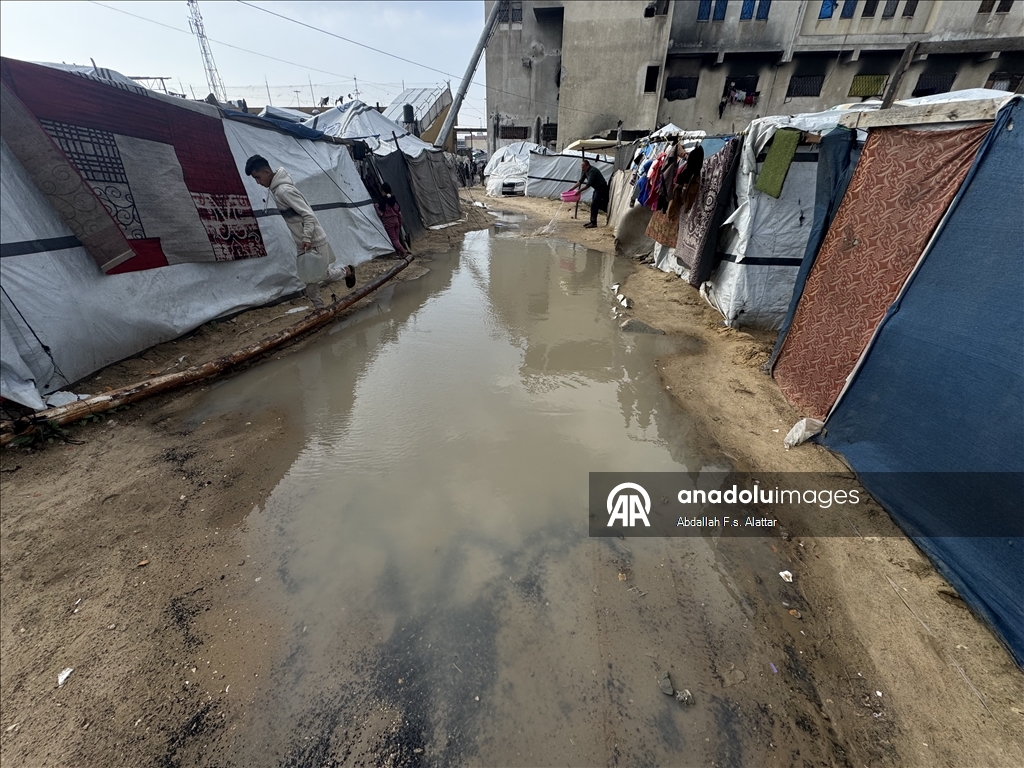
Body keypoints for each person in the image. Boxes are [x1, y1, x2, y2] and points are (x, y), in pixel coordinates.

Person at [245, 154, 354, 310]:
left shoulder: (284, 191)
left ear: (266, 172)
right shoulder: (277, 191)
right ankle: (320, 309)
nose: (258, 182)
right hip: (303, 242)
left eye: (257, 177)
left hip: (314, 239)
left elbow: (308, 214)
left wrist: (307, 237)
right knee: (309, 278)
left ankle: (347, 271)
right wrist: (303, 239)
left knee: (320, 275)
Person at [568, 159, 609, 228]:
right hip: (597, 188)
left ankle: (594, 223)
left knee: (595, 204)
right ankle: (592, 221)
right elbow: (580, 181)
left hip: (602, 188)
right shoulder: (585, 171)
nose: (582, 168)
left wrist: (579, 191)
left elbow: (588, 184)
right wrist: (572, 189)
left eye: (583, 167)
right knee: (594, 204)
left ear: (587, 166)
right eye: (582, 167)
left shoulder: (592, 171)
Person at [376, 182, 409, 258]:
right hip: (396, 220)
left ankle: (403, 251)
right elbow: (399, 209)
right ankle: (400, 253)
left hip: (389, 222)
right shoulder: (393, 199)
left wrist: (375, 206)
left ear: (383, 191)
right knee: (396, 238)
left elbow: (380, 212)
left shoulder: (383, 201)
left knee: (393, 239)